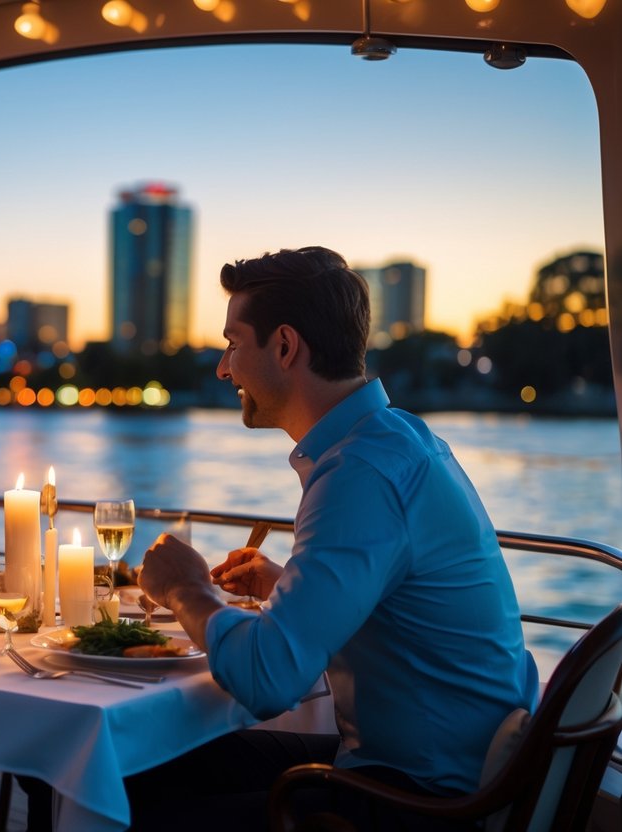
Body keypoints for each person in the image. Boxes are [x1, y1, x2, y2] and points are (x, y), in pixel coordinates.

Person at [130, 247, 538, 830]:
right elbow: (398, 597)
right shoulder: (397, 438)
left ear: (285, 347)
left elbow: (269, 679)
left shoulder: (359, 474)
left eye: (233, 344)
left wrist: (184, 589)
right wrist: (286, 586)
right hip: (447, 767)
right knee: (147, 760)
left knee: (139, 795)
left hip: (421, 801)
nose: (223, 369)